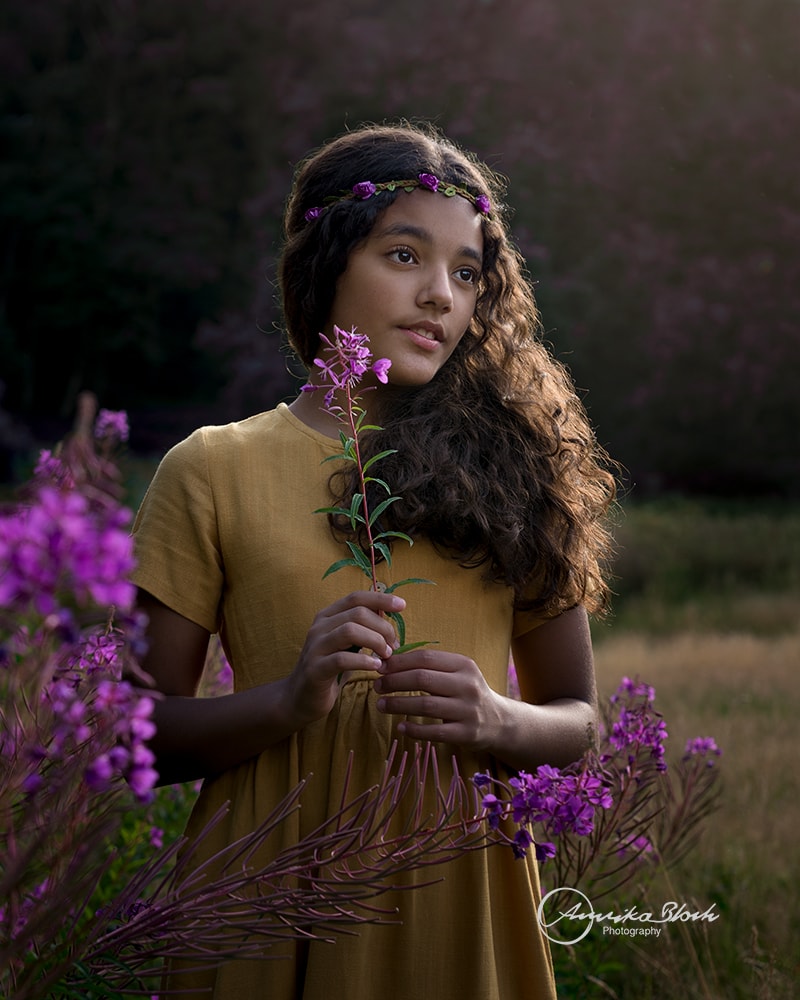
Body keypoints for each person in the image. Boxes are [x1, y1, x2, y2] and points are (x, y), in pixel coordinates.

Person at [131, 120, 616, 999]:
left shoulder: (517, 473)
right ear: (326, 264)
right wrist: (287, 700)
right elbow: (139, 736)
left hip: (457, 891)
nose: (440, 294)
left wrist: (498, 720)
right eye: (404, 255)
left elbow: (579, 725)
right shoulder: (210, 468)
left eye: (467, 273)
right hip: (262, 891)